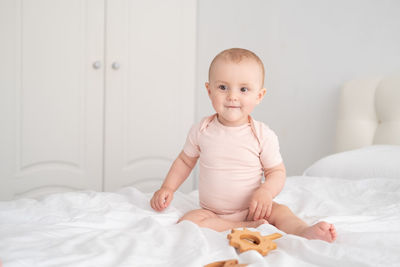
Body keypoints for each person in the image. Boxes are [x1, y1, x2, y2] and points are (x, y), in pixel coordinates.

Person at [150, 48, 336, 242]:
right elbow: (184, 162)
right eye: (223, 87)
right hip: (213, 213)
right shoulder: (201, 130)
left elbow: (277, 172)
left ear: (259, 96)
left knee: (281, 212)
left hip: (253, 209)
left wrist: (265, 192)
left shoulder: (262, 134)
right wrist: (168, 188)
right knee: (190, 220)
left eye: (243, 89)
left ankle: (303, 230)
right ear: (209, 90)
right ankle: (246, 227)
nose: (232, 96)